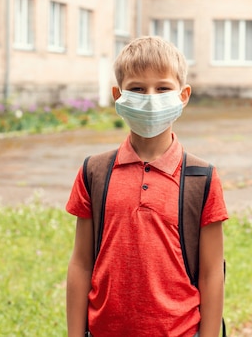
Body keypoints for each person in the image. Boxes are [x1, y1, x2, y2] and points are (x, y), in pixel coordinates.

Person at [66, 36, 228, 337]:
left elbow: (211, 273)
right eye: (137, 89)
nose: (150, 98)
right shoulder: (95, 172)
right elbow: (80, 263)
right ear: (118, 94)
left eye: (163, 88)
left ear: (183, 95)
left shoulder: (201, 178)